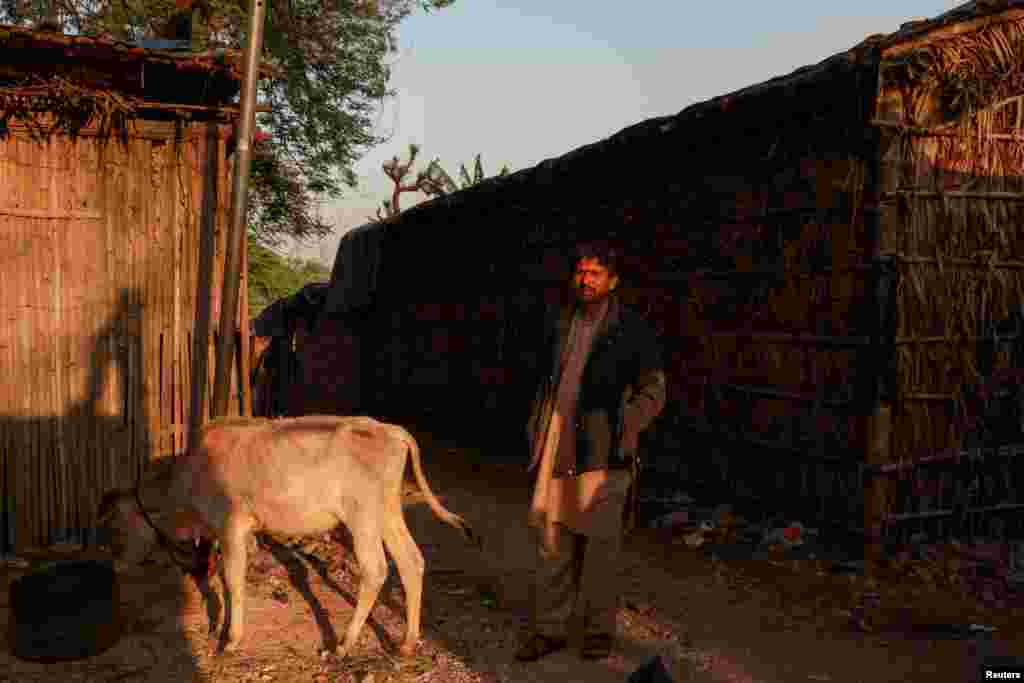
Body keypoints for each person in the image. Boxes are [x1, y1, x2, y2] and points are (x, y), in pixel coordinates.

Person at [516, 240, 666, 662]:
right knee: (552, 539)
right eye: (581, 272)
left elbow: (654, 391)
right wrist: (536, 424)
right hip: (555, 446)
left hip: (601, 450)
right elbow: (543, 381)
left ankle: (599, 634)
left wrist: (626, 428)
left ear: (612, 281)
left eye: (595, 273)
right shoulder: (561, 323)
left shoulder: (631, 330)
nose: (586, 280)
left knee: (599, 549)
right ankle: (551, 629)